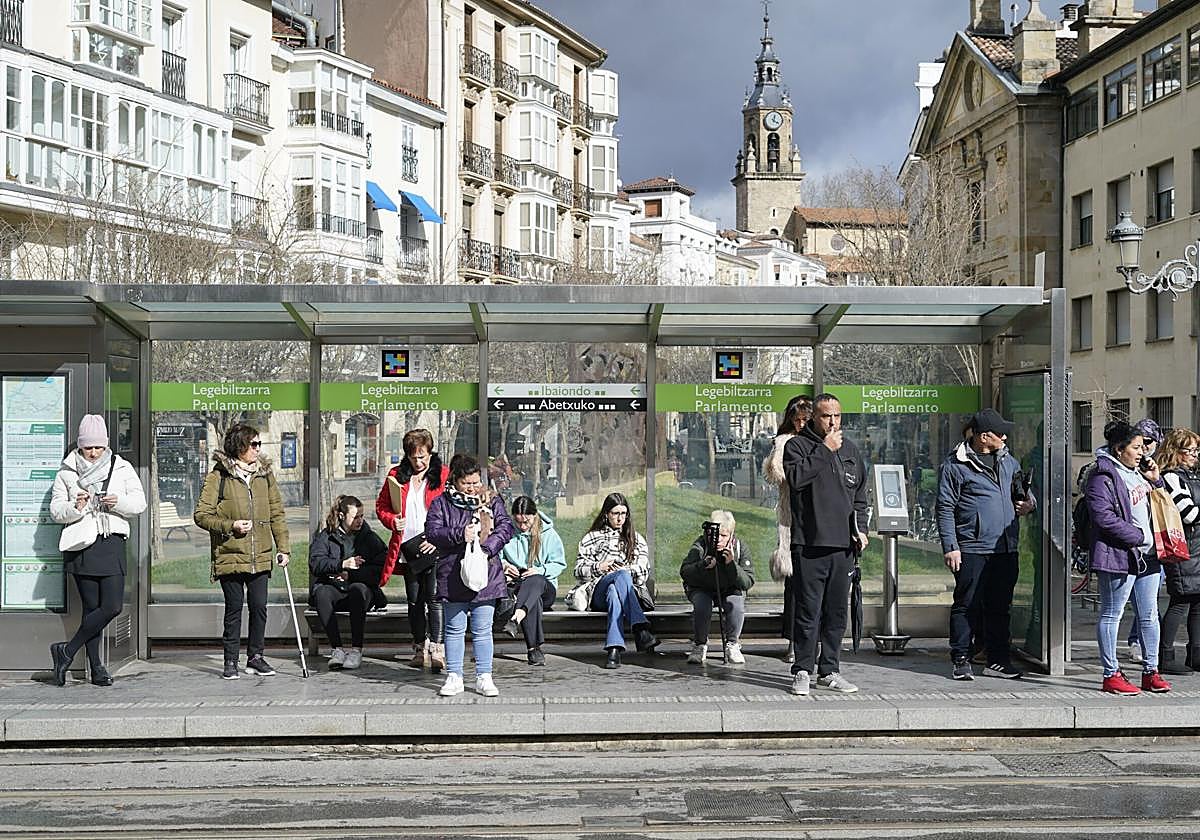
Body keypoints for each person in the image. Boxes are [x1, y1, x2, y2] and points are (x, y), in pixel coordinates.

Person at [936, 408, 1037, 682]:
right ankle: (960, 659)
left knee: (999, 607)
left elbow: (1026, 496)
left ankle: (998, 660)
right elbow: (944, 508)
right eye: (999, 432)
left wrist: (1029, 505)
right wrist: (951, 546)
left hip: (1005, 548)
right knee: (966, 605)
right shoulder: (955, 466)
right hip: (971, 548)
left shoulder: (1009, 462)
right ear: (983, 437)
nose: (1005, 436)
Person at [48, 415, 146, 687]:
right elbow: (56, 510)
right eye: (88, 447)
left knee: (112, 606)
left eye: (98, 447)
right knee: (91, 608)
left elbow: (139, 503)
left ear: (106, 446)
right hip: (82, 545)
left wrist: (118, 502)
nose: (92, 453)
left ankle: (66, 651)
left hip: (110, 541)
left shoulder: (121, 467)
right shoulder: (67, 471)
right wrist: (75, 507)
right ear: (79, 446)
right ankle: (97, 668)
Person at [782, 393, 867, 695]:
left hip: (843, 546)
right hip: (810, 544)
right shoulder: (797, 446)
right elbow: (797, 479)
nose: (832, 422)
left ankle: (829, 670)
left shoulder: (852, 450)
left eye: (837, 416)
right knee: (808, 611)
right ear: (813, 418)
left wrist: (862, 529)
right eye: (826, 416)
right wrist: (824, 450)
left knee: (836, 613)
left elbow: (859, 496)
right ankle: (802, 669)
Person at [194, 423, 290, 681]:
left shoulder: (265, 475)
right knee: (234, 608)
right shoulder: (219, 476)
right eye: (253, 444)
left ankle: (256, 657)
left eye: (259, 444)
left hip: (260, 554)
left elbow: (277, 513)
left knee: (259, 607)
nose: (258, 450)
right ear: (240, 446)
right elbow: (201, 515)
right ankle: (230, 660)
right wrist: (230, 526)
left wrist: (283, 548)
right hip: (230, 554)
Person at [1084, 420, 1171, 695]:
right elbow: (1103, 517)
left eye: (1144, 446)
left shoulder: (1139, 473)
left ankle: (1151, 671)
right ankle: (1111, 674)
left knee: (1149, 615)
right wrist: (1136, 536)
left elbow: (1164, 504)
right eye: (1136, 447)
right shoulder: (1103, 476)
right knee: (1113, 614)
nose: (1142, 452)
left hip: (1149, 557)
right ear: (1119, 449)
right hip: (1119, 555)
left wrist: (1156, 480)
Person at [425, 454, 515, 697]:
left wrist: (487, 548)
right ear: (454, 480)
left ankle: (484, 676)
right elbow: (432, 532)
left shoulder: (491, 500)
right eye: (467, 483)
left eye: (476, 482)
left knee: (483, 628)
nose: (473, 488)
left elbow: (506, 527)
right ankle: (454, 675)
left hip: (486, 573)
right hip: (453, 572)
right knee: (454, 628)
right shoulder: (441, 503)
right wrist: (459, 534)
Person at [376, 429, 449, 672]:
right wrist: (391, 521)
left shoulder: (442, 474)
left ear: (430, 453)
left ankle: (437, 648)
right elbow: (382, 506)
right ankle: (419, 646)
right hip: (409, 546)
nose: (418, 462)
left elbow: (452, 509)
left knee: (435, 598)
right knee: (415, 600)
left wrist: (440, 537)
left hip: (435, 545)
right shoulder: (396, 476)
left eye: (423, 456)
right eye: (414, 457)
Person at [568, 492, 657, 669]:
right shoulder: (591, 538)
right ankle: (640, 629)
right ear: (606, 514)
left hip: (629, 593)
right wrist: (599, 567)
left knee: (615, 590)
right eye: (615, 513)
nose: (620, 518)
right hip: (596, 591)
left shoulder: (636, 539)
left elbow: (643, 571)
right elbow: (577, 571)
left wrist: (623, 571)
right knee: (615, 581)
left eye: (623, 513)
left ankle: (614, 649)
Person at [308, 495, 387, 671]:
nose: (359, 521)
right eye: (355, 517)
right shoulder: (327, 536)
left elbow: (381, 569)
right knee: (321, 593)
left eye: (361, 516)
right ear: (342, 516)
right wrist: (340, 565)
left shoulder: (369, 538)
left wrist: (352, 575)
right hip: (335, 588)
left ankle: (356, 650)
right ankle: (337, 649)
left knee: (358, 591)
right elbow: (315, 562)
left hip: (361, 589)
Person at [764, 394, 813, 663]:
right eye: (797, 420)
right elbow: (779, 473)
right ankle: (795, 640)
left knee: (813, 585)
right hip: (793, 520)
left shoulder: (824, 442)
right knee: (795, 584)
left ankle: (812, 638)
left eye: (806, 419)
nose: (801, 424)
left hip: (819, 520)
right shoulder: (785, 443)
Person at [679, 510, 754, 665]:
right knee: (702, 605)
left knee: (736, 604)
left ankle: (732, 644)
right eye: (716, 535)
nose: (719, 540)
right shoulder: (700, 545)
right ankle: (700, 644)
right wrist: (703, 564)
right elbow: (685, 572)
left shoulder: (740, 547)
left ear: (731, 535)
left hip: (729, 588)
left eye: (724, 536)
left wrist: (731, 565)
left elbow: (748, 581)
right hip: (702, 588)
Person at [500, 496, 566, 666]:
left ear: (534, 515)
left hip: (545, 587)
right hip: (519, 587)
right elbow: (496, 558)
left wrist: (539, 570)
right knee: (532, 599)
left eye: (526, 522)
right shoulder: (506, 532)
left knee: (535, 580)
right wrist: (506, 566)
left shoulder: (549, 534)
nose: (522, 526)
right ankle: (533, 650)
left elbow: (559, 564)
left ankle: (517, 619)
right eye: (518, 522)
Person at [1154, 428, 1200, 675]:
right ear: (1175, 451)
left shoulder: (1192, 475)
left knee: (1198, 602)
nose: (1195, 455)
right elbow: (1189, 513)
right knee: (1180, 601)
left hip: (1197, 547)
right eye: (1189, 450)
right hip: (1183, 547)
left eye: (1196, 450)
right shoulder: (1171, 477)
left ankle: (1196, 654)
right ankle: (1166, 655)